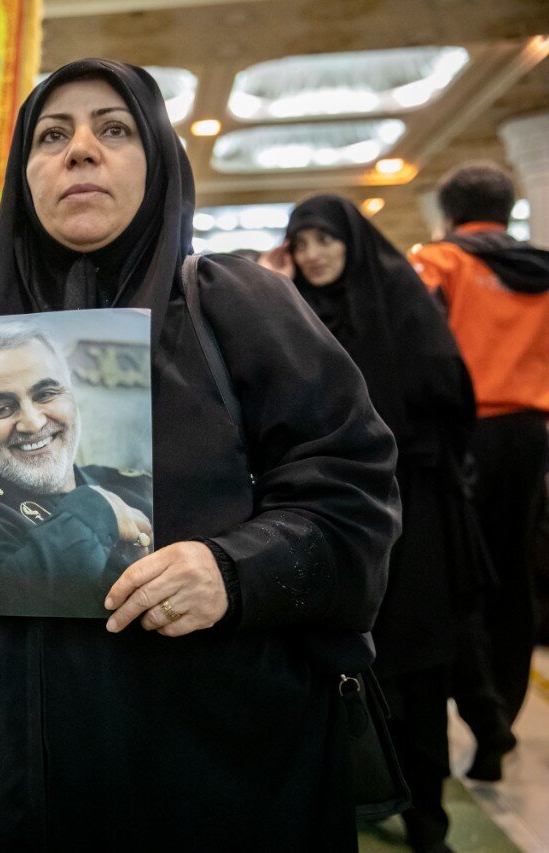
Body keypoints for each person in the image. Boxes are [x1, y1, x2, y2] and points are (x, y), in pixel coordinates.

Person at [0, 59, 401, 849]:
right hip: (11, 777)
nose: (80, 149)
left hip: (207, 771)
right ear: (23, 178)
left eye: (113, 129)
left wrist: (235, 571)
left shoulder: (233, 307)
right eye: (50, 136)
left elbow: (353, 500)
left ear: (159, 160)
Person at [268, 193, 485, 852]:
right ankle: (364, 790)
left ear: (353, 241)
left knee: (417, 666)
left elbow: (450, 393)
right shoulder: (295, 312)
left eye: (325, 239)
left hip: (415, 517)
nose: (314, 255)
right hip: (336, 517)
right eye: (302, 243)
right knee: (351, 665)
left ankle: (428, 818)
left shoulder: (399, 299)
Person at [410, 162, 549, 775]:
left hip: (463, 438)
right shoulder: (543, 270)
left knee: (458, 576)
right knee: (516, 575)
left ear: (449, 213)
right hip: (531, 436)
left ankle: (473, 714)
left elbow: (415, 346)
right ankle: (503, 718)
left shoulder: (440, 262)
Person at [0, 322, 153, 617]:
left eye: (46, 394)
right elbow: (0, 596)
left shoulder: (137, 486)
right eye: (2, 408)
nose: (33, 423)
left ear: (71, 397)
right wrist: (93, 511)